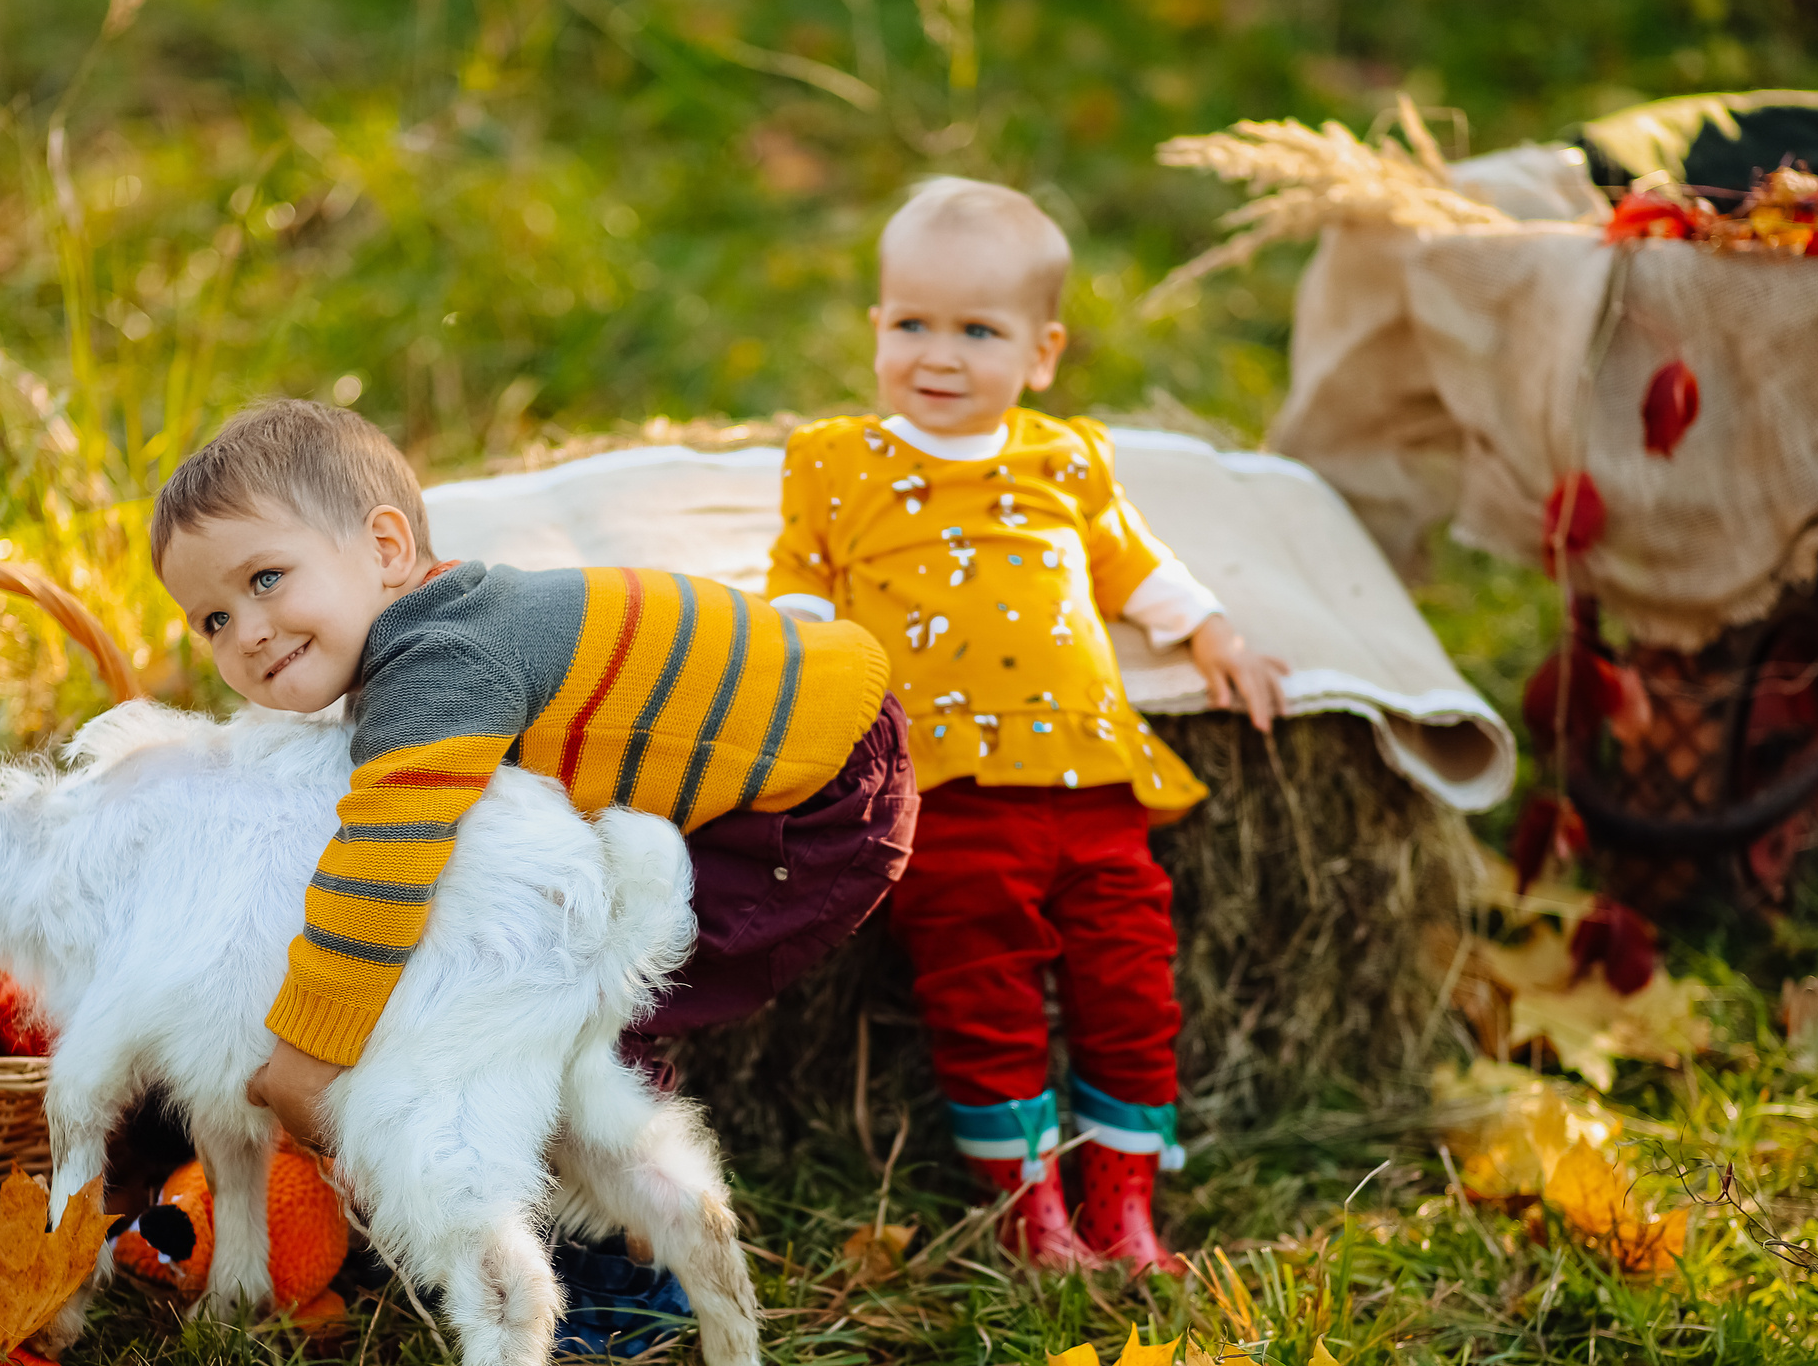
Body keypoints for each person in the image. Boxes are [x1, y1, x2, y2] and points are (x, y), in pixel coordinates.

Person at [149, 397, 920, 1162]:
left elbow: (382, 866)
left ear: (387, 547)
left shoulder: (439, 665)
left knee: (575, 997)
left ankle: (632, 1238)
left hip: (826, 796)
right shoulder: (445, 621)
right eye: (212, 619)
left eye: (266, 579)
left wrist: (309, 1055)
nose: (245, 632)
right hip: (823, 713)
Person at [766, 177, 1288, 1273]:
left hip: (1093, 784)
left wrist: (1211, 631)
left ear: (1040, 353)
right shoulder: (836, 462)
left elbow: (1131, 562)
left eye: (976, 331)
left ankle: (1124, 1200)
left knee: (1132, 981)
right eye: (911, 324)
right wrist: (796, 668)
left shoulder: (1064, 459)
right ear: (875, 331)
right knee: (982, 990)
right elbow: (800, 584)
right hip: (948, 794)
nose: (938, 356)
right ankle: (1030, 1207)